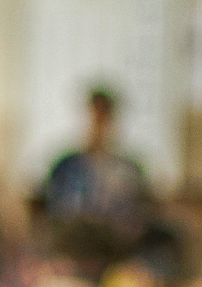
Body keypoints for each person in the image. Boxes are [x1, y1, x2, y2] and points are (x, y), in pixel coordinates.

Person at [39, 84, 150, 237]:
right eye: (94, 118)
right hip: (75, 239)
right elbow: (56, 211)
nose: (98, 127)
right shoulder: (66, 167)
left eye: (103, 119)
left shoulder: (129, 170)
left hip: (113, 243)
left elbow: (135, 215)